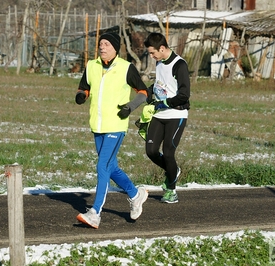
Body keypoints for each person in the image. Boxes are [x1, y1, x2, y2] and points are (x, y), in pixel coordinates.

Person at [75, 32, 148, 229]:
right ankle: (135, 194)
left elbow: (143, 93)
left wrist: (130, 107)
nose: (102, 47)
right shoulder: (92, 66)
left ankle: (95, 212)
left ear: (115, 48)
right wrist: (82, 95)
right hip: (97, 125)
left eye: (106, 44)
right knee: (111, 167)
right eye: (100, 44)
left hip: (116, 125)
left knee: (102, 166)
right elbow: (84, 88)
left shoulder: (126, 68)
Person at [143, 32, 190, 204]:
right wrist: (147, 92)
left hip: (176, 114)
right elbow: (160, 84)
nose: (151, 56)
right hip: (159, 113)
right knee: (151, 151)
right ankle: (173, 171)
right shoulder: (159, 62)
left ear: (162, 48)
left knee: (169, 152)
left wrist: (165, 102)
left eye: (152, 53)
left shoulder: (180, 65)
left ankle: (171, 190)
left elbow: (184, 94)